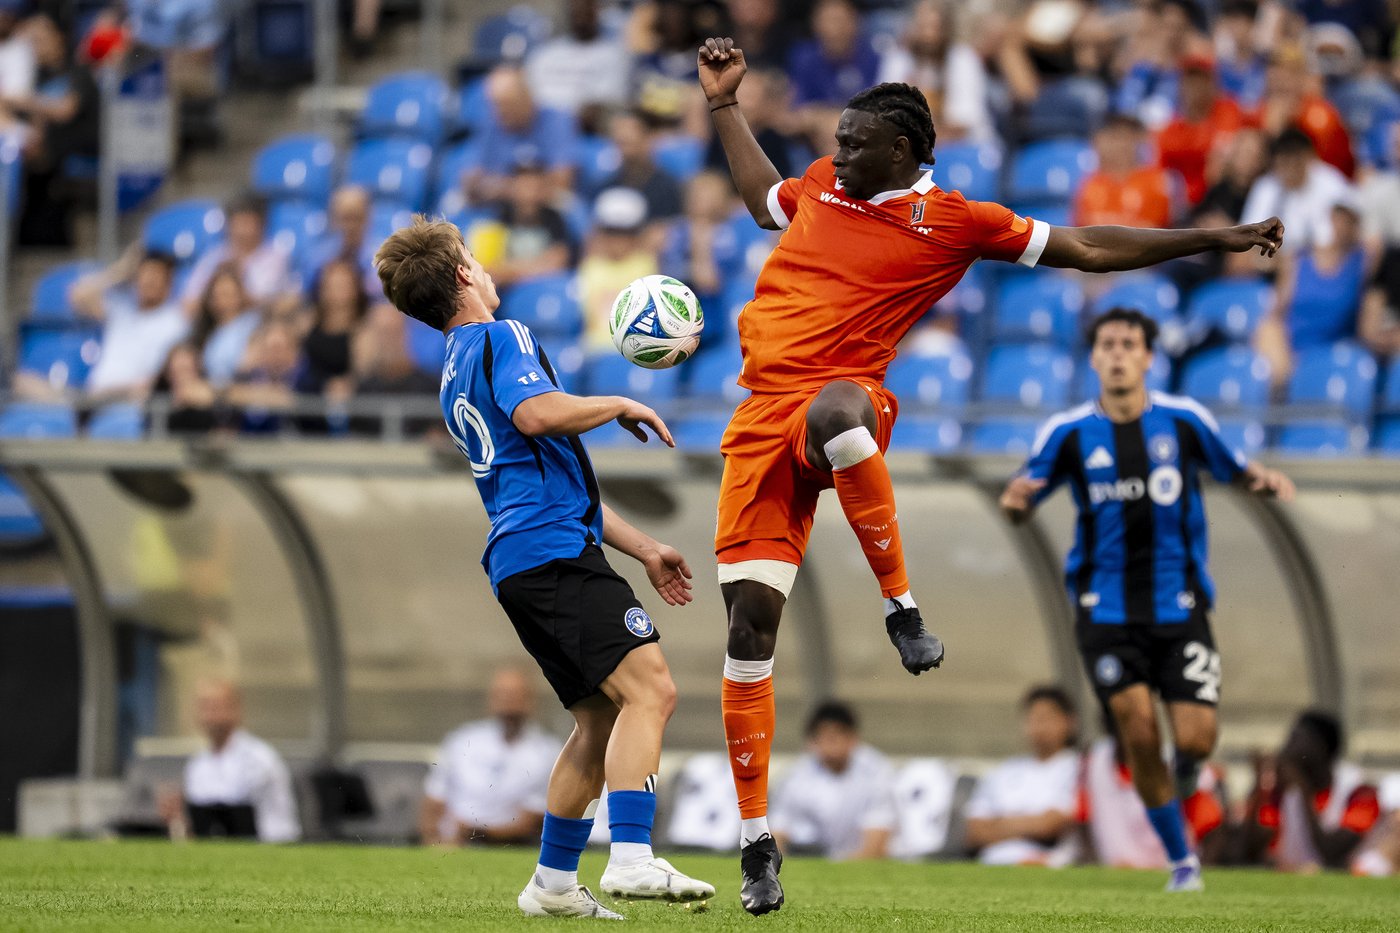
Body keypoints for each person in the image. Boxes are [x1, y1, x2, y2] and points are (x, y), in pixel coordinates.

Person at [699, 34, 1284, 914]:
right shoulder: (823, 183)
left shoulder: (958, 222)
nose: (837, 152)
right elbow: (758, 200)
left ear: (901, 150)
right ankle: (755, 841)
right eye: (838, 142)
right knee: (748, 629)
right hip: (756, 414)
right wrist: (723, 105)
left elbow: (1086, 246)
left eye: (854, 142)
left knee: (839, 415)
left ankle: (903, 609)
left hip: (843, 396)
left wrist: (1215, 236)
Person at [374, 217, 714, 918]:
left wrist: (645, 547)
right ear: (464, 275)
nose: (485, 267)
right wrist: (616, 400)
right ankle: (631, 857)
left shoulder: (456, 363)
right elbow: (537, 415)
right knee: (652, 690)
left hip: (524, 553)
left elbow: (551, 475)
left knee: (596, 719)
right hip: (552, 551)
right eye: (474, 257)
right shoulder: (504, 336)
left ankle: (553, 884)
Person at [999, 307, 1296, 892]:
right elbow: (1023, 496)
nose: (1116, 353)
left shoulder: (1184, 422)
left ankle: (1188, 772)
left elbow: (1232, 467)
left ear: (1147, 357)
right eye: (1106, 344)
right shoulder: (1068, 433)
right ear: (1094, 358)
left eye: (1128, 344)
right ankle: (1180, 859)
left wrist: (1261, 479)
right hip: (1104, 610)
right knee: (1137, 729)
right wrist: (1013, 504)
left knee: (1195, 739)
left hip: (1180, 607)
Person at [418, 668, 562, 847]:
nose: (509, 702)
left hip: (510, 846)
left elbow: (534, 820)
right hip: (453, 842)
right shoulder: (462, 740)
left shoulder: (548, 751)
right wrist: (432, 840)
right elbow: (434, 799)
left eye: (516, 695)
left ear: (531, 700)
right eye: (502, 694)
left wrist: (476, 832)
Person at [1231, 710, 1381, 872]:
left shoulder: (1359, 791)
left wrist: (1302, 789)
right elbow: (1251, 850)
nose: (1288, 747)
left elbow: (1331, 852)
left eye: (1297, 738)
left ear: (1321, 746)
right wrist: (1260, 788)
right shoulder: (1284, 790)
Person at [1254, 198, 1376, 390]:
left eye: (1348, 220)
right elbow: (1276, 313)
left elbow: (1376, 246)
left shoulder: (1363, 260)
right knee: (1268, 331)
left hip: (1333, 351)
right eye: (1338, 217)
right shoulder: (1298, 260)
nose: (1341, 225)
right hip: (1291, 351)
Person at [158, 679, 300, 843]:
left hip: (269, 845)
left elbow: (232, 815)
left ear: (235, 710)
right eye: (204, 706)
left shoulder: (259, 759)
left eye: (216, 706)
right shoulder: (197, 765)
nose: (210, 715)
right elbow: (206, 827)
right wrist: (178, 819)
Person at [964, 685, 1080, 866]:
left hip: (1049, 863)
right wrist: (1031, 823)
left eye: (1046, 718)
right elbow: (975, 831)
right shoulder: (1004, 770)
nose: (1039, 727)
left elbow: (1051, 825)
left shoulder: (1078, 767)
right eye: (1033, 719)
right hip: (994, 862)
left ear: (1069, 722)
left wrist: (1000, 824)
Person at [769, 701, 896, 861]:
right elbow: (777, 831)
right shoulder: (794, 776)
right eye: (826, 737)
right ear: (812, 742)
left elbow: (876, 843)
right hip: (810, 858)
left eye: (838, 735)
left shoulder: (876, 772)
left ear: (853, 739)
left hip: (856, 860)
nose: (832, 742)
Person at [70, 248, 189, 405]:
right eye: (145, 273)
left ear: (169, 280)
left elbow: (163, 378)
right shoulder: (121, 310)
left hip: (133, 403)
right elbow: (78, 295)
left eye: (156, 274)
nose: (149, 280)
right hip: (94, 398)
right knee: (28, 383)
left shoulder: (176, 322)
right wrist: (119, 272)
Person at [1154, 54, 1251, 208]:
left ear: (1212, 83)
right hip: (1187, 204)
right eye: (1190, 80)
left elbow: (1226, 155)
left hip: (1229, 195)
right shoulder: (1171, 131)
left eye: (1201, 80)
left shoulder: (1228, 110)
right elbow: (1160, 175)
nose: (1195, 86)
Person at [1239, 128, 1352, 255]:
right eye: (1284, 163)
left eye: (1294, 162)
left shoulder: (1331, 183)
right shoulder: (1266, 187)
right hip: (1273, 263)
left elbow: (1344, 237)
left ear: (1307, 157)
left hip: (1321, 263)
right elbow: (1247, 241)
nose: (1289, 170)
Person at [180, 196, 293, 315]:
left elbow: (260, 302)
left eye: (248, 223)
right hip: (212, 321)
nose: (242, 230)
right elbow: (190, 299)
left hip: (255, 320)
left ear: (262, 224)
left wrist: (235, 275)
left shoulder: (276, 257)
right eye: (237, 223)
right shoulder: (215, 255)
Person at [578, 187, 659, 352]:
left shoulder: (646, 264)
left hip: (635, 347)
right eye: (611, 233)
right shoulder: (591, 266)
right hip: (594, 349)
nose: (618, 241)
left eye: (625, 233)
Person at [1073, 114, 1178, 230]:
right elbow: (1081, 231)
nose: (1118, 145)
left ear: (1137, 140)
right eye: (1112, 137)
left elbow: (1157, 228)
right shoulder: (1088, 185)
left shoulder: (1156, 181)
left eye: (1123, 137)